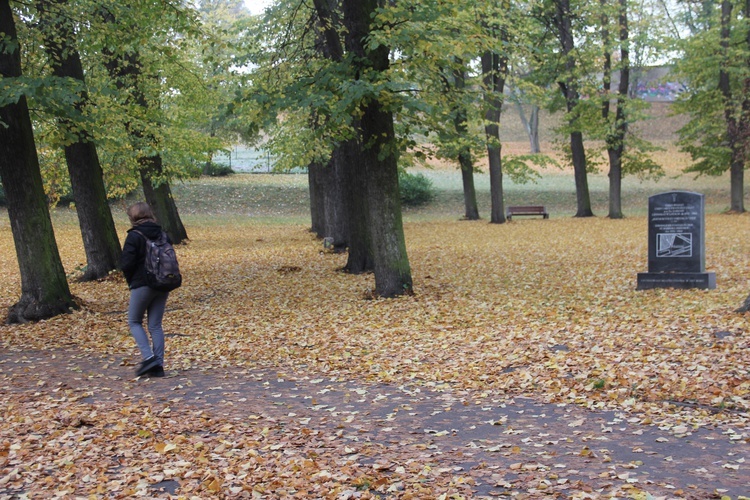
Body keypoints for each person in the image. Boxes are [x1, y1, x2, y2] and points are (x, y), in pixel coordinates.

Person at [120, 202, 169, 378]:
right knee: (155, 325)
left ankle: (149, 359)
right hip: (163, 284)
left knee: (134, 321)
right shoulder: (162, 234)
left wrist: (131, 281)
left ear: (133, 218)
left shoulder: (134, 236)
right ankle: (159, 365)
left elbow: (126, 263)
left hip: (142, 284)